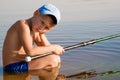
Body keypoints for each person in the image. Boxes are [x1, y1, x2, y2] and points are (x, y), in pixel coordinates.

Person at [2, 4, 64, 73]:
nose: (41, 28)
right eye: (42, 22)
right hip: (12, 67)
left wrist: (42, 35)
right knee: (53, 60)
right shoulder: (22, 25)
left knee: (56, 58)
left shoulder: (36, 30)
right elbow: (30, 51)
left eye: (46, 28)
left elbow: (50, 52)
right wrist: (54, 47)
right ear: (36, 13)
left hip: (24, 63)